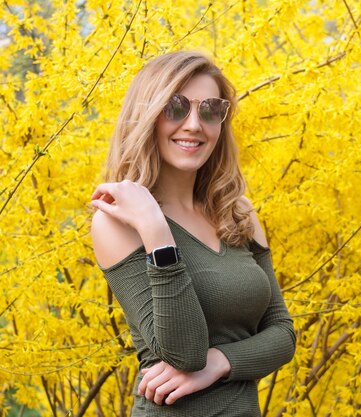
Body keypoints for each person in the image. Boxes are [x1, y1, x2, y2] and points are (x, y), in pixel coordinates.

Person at [90, 51, 296, 415]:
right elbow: (183, 352)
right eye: (175, 107)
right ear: (146, 115)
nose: (193, 125)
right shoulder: (117, 222)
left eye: (210, 109)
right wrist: (155, 229)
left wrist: (220, 362)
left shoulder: (237, 212)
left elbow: (282, 333)